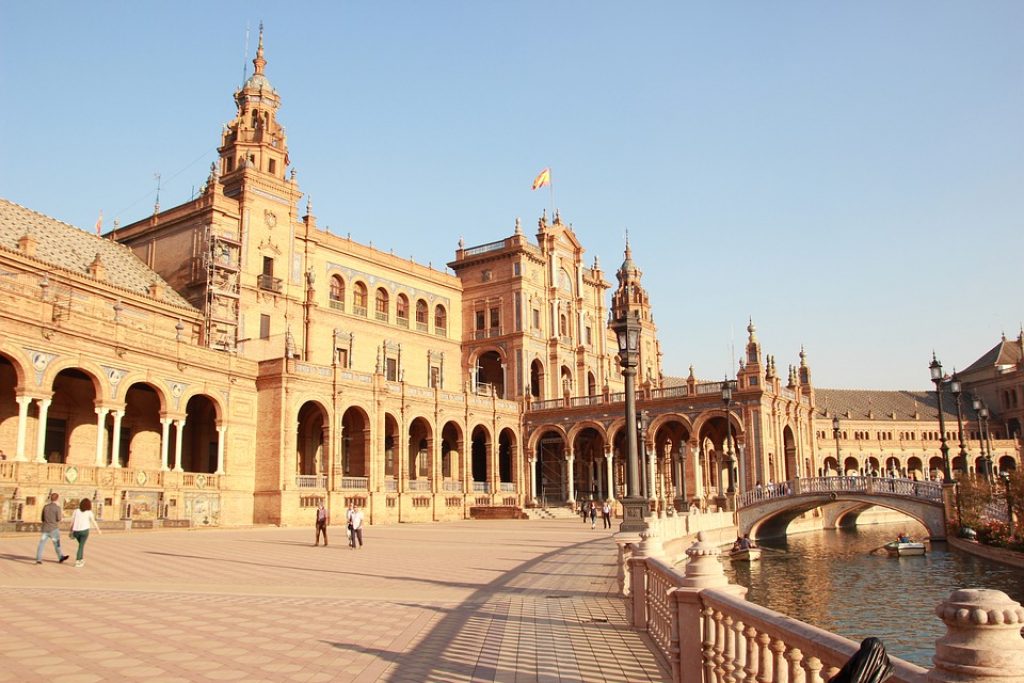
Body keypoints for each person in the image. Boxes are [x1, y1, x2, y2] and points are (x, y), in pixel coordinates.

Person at [35, 492, 69, 565]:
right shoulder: (57, 508)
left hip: (45, 528)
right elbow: (59, 518)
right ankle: (60, 557)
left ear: (51, 498)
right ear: (57, 499)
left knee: (41, 544)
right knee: (56, 544)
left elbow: (42, 518)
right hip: (53, 529)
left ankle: (38, 559)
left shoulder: (45, 507)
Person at [70, 498, 102, 567]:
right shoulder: (89, 512)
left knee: (81, 545)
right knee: (81, 546)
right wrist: (98, 530)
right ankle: (78, 561)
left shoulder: (76, 511)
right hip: (84, 531)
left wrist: (70, 530)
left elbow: (72, 521)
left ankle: (81, 559)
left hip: (76, 531)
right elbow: (93, 521)